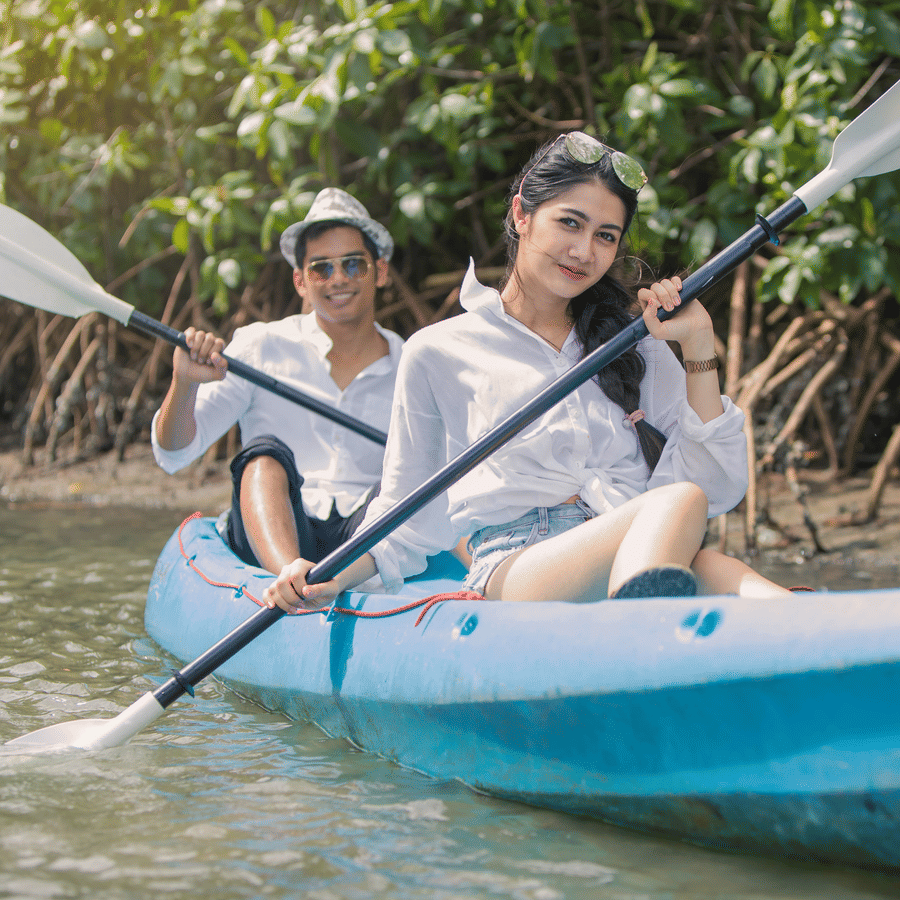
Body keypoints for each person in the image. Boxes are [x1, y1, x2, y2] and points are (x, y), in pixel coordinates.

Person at [263, 132, 793, 611]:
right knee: (679, 504)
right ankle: (641, 636)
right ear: (521, 213)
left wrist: (698, 345)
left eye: (607, 236)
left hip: (641, 540)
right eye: (570, 222)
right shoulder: (439, 351)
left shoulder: (638, 344)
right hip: (520, 564)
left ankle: (818, 636)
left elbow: (715, 487)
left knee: (725, 568)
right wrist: (326, 577)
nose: (584, 251)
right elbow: (406, 515)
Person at [152, 187, 404, 574]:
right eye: (321, 268)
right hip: (277, 533)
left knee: (414, 471)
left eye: (353, 265)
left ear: (380, 271)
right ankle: (291, 580)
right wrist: (184, 384)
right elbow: (173, 453)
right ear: (301, 281)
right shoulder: (260, 346)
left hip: (368, 535)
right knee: (265, 454)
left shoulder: (411, 362)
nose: (338, 279)